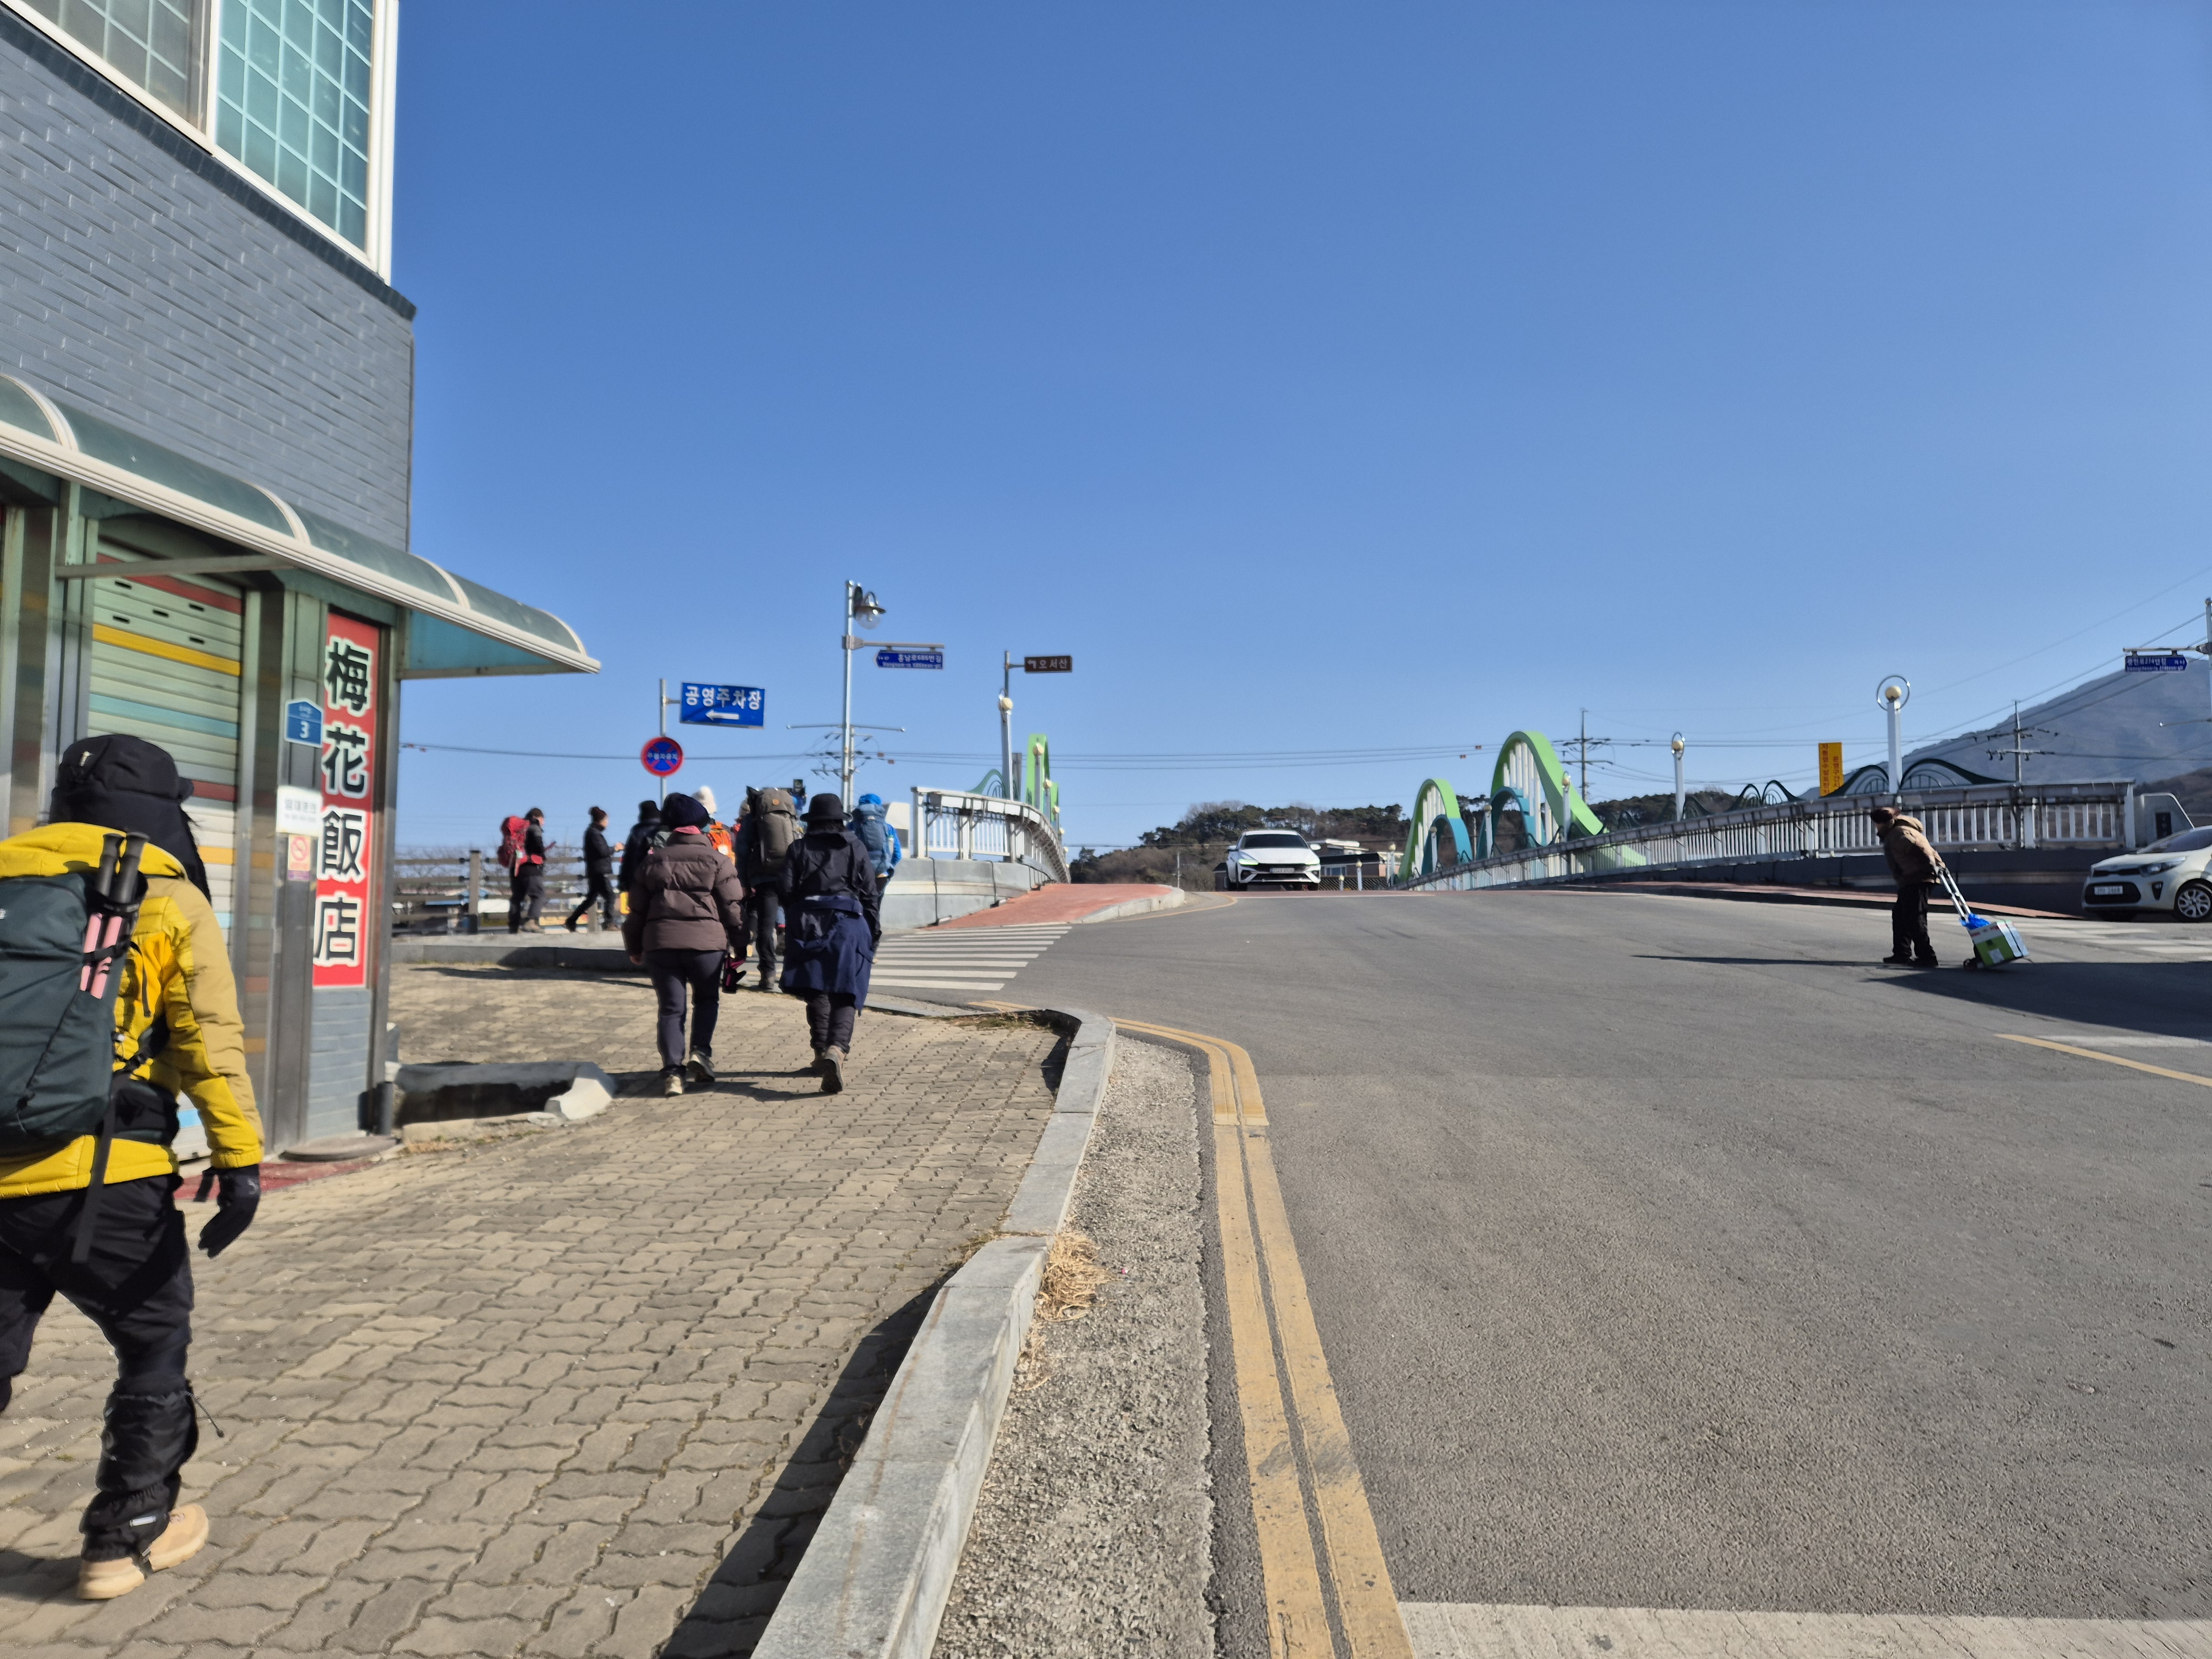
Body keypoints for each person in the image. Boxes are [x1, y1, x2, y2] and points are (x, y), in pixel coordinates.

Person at [0, 734, 263, 1599]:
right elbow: (209, 1042)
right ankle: (126, 1531)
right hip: (108, 1176)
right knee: (152, 1338)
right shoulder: (165, 896)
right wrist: (239, 1159)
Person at [622, 792, 746, 1095]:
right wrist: (740, 942)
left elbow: (636, 912)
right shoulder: (719, 861)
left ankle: (673, 1073)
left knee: (670, 1009)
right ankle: (700, 1053)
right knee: (706, 1000)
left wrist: (634, 947)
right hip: (707, 946)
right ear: (702, 827)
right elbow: (732, 908)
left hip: (661, 944)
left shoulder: (652, 862)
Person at [780, 792, 880, 1094]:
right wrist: (873, 934)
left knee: (816, 989)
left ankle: (821, 1052)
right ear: (840, 821)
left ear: (812, 821)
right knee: (846, 991)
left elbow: (786, 891)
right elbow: (870, 894)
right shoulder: (855, 846)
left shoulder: (798, 848)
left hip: (808, 924)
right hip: (849, 924)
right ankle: (836, 1049)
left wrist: (800, 916)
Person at [737, 785, 800, 988]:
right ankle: (792, 974)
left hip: (764, 879)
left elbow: (742, 852)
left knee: (765, 927)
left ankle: (768, 974)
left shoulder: (752, 819)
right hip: (790, 876)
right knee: (794, 925)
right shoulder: (791, 815)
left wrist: (745, 882)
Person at [1872, 804, 1944, 968]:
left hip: (1917, 878)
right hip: (1913, 878)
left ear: (1881, 823)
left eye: (1876, 823)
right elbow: (1927, 850)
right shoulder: (1903, 830)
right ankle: (1902, 953)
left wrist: (1929, 868)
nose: (1876, 827)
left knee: (1914, 918)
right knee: (1900, 915)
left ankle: (1927, 956)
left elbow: (1919, 850)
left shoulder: (1898, 833)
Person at [565, 807, 614, 932]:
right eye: (606, 820)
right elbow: (603, 851)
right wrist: (616, 848)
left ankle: (571, 921)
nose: (608, 822)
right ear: (601, 820)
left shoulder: (592, 833)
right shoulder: (594, 834)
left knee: (591, 899)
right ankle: (609, 923)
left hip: (594, 871)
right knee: (610, 896)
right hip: (599, 871)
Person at [507, 807, 547, 933]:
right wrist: (542, 855)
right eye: (543, 820)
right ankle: (531, 921)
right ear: (537, 818)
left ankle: (514, 926)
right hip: (529, 867)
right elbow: (538, 845)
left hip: (515, 866)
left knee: (517, 897)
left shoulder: (518, 830)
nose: (543, 823)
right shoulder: (534, 827)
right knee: (539, 894)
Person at [849, 793, 901, 880]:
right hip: (882, 872)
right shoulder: (889, 828)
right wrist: (887, 867)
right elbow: (897, 855)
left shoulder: (851, 826)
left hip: (858, 873)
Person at [618, 799, 661, 895]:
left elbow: (628, 858)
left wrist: (624, 881)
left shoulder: (637, 832)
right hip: (661, 876)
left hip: (640, 879)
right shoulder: (664, 829)